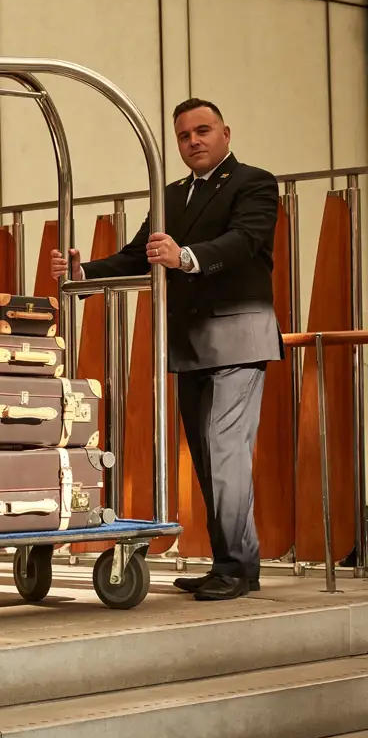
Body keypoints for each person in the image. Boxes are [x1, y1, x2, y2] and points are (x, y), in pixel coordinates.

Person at [51, 98, 283, 602]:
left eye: (203, 131)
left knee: (224, 454)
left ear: (225, 132)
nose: (194, 141)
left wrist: (186, 257)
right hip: (190, 342)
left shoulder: (255, 182)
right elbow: (139, 254)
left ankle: (236, 567)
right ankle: (234, 565)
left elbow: (245, 241)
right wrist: (84, 272)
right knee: (206, 456)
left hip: (238, 336)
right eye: (184, 136)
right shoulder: (171, 195)